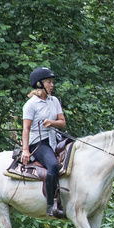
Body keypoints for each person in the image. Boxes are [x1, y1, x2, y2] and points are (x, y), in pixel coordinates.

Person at [21, 66, 67, 218]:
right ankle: (51, 203)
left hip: (55, 138)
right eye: (49, 82)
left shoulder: (54, 101)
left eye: (52, 82)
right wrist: (25, 150)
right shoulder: (30, 105)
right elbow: (26, 129)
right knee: (53, 165)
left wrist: (52, 123)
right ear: (39, 84)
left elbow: (62, 122)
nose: (52, 85)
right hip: (39, 142)